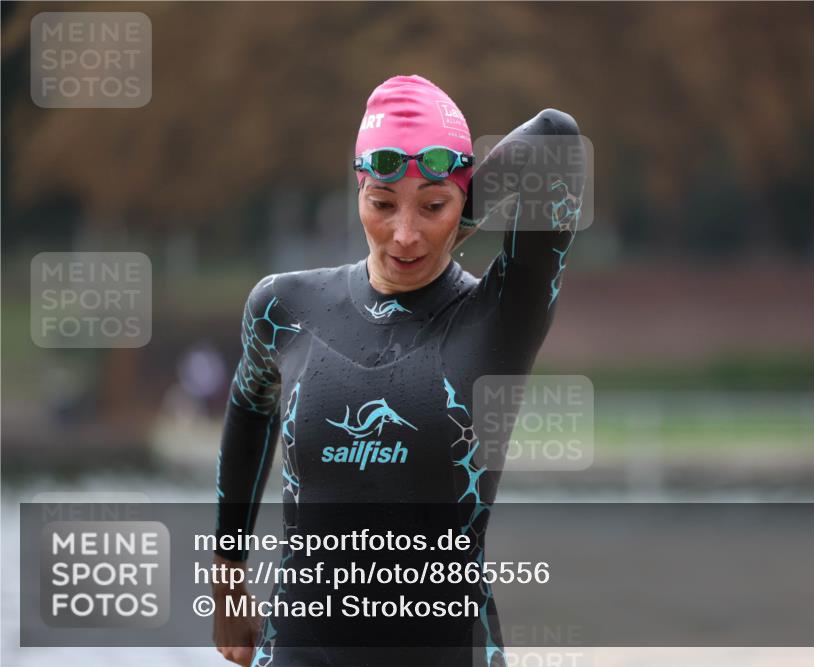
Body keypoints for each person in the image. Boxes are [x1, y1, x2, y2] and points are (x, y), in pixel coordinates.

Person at [210, 74, 586, 667]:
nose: (405, 234)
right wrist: (228, 573)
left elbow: (555, 137)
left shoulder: (501, 317)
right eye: (382, 204)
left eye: (431, 205)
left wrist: (458, 213)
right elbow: (249, 406)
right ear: (357, 191)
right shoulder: (284, 309)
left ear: (461, 200)